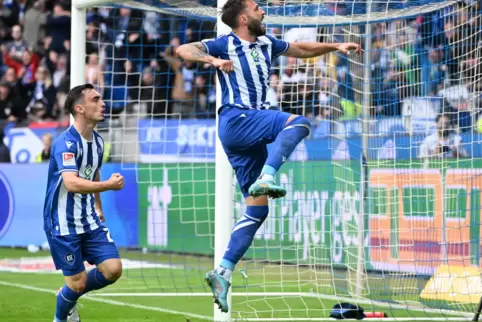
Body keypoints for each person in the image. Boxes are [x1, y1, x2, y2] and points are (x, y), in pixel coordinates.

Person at [176, 0, 362, 313]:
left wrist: (335, 45)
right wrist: (212, 60)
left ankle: (222, 271)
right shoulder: (226, 43)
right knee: (300, 122)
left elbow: (300, 49)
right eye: (258, 8)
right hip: (238, 119)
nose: (264, 11)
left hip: (244, 134)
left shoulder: (266, 42)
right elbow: (184, 50)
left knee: (256, 210)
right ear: (244, 17)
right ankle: (266, 177)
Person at [43, 83, 125, 322]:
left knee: (113, 269)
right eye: (95, 99)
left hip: (88, 219)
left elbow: (93, 173)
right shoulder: (65, 143)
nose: (103, 103)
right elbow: (72, 183)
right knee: (77, 283)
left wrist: (98, 205)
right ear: (79, 108)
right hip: (62, 222)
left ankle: (66, 295)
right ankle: (62, 316)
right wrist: (108, 186)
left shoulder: (98, 142)